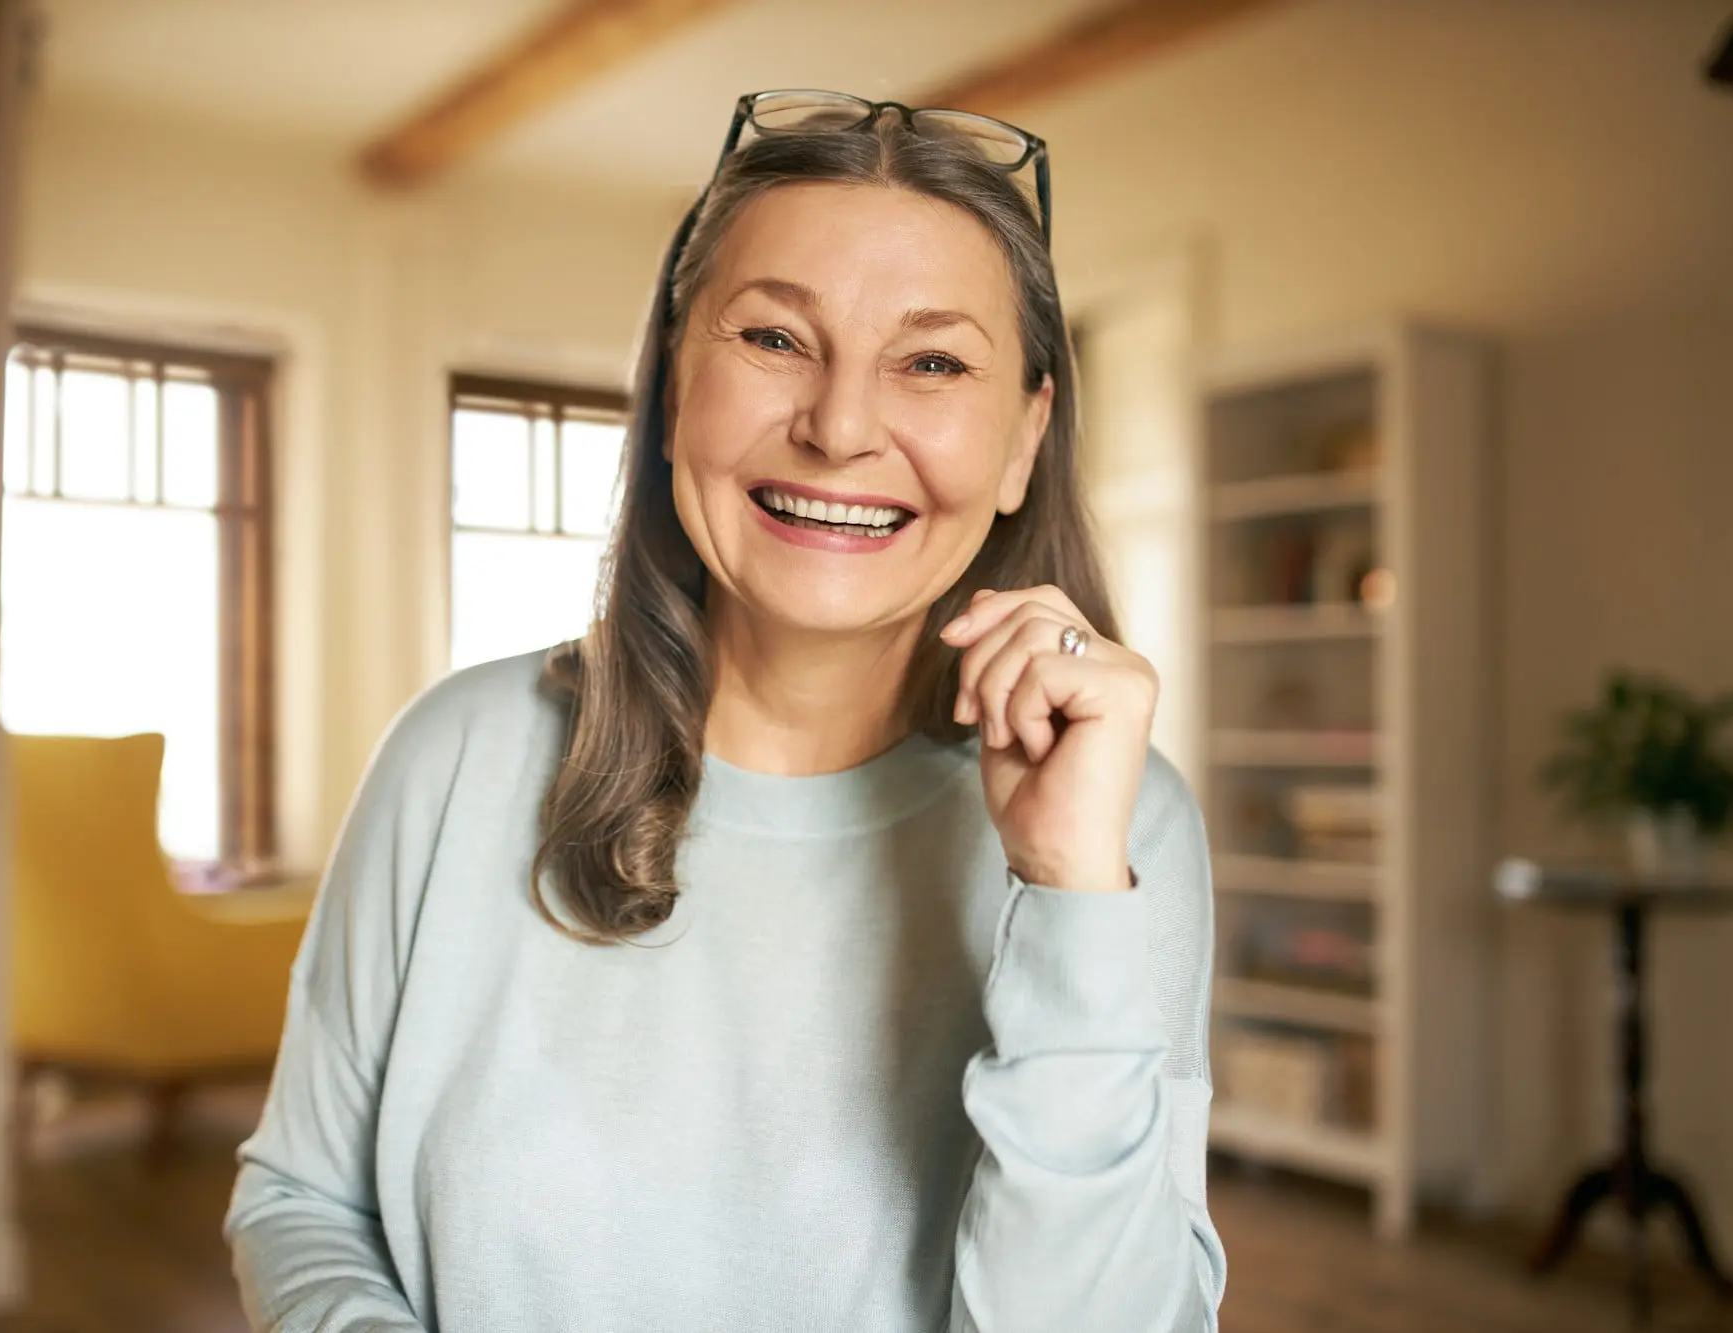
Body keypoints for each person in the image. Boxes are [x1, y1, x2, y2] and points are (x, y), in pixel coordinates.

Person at [225, 89, 1225, 1332]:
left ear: (1025, 437)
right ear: (670, 388)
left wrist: (1070, 899)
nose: (839, 425)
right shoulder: (458, 752)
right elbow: (304, 1200)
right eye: (770, 339)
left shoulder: (1125, 830)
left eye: (930, 361)